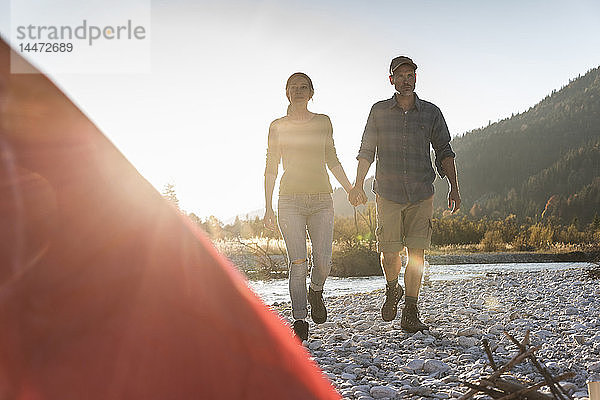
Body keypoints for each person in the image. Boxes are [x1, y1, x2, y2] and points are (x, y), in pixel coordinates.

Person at [348, 56, 461, 332]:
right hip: (387, 193)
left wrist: (455, 188)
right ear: (391, 80)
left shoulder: (431, 113)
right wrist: (358, 184)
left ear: (415, 79)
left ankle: (411, 309)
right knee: (389, 253)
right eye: (400, 76)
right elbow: (366, 151)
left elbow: (444, 150)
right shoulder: (378, 111)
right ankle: (391, 288)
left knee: (417, 253)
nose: (406, 80)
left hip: (421, 192)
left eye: (410, 75)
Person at [264, 72, 353, 342]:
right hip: (289, 201)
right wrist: (267, 206)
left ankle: (316, 290)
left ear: (312, 92)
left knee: (324, 262)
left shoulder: (323, 122)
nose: (299, 91)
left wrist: (350, 189)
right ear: (287, 93)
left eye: (304, 87)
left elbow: (332, 158)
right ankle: (300, 319)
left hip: (321, 200)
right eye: (294, 87)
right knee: (298, 263)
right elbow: (270, 166)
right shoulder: (277, 126)